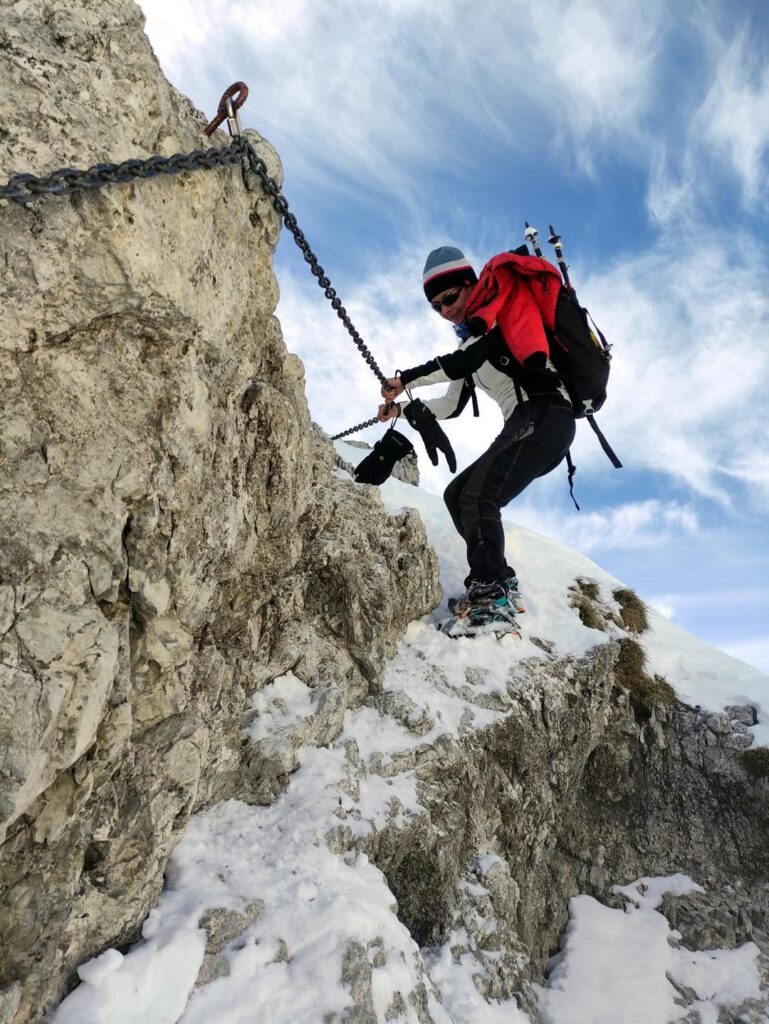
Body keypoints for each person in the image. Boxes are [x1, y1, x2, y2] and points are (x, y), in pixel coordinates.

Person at [377, 245, 576, 622]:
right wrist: (400, 410)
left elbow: (462, 363)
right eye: (435, 306)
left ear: (471, 284)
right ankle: (497, 581)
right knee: (457, 495)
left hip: (545, 412)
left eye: (450, 297)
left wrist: (406, 379)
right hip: (528, 422)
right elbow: (452, 404)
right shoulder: (470, 338)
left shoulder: (500, 310)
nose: (445, 309)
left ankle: (491, 596)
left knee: (479, 496)